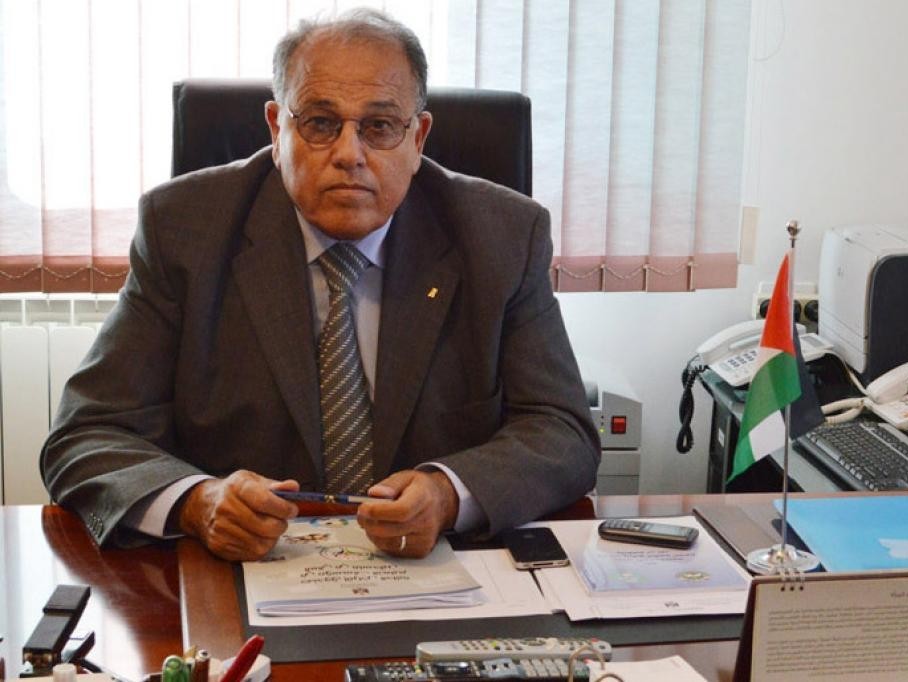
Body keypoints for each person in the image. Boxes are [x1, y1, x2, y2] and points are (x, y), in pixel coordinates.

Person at [40, 8, 599, 562]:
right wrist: (197, 502)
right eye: (320, 122)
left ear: (418, 138)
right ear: (276, 129)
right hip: (240, 572)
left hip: (443, 570)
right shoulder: (184, 229)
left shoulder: (502, 236)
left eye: (380, 126)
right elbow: (88, 434)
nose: (349, 154)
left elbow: (562, 431)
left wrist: (450, 494)